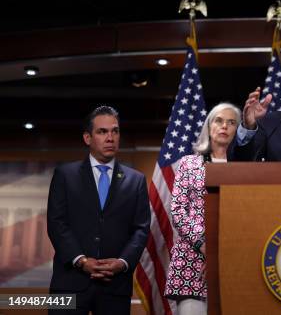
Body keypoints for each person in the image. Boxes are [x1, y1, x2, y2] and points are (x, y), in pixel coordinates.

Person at [47, 106, 151, 315]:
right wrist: (81, 261)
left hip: (115, 286)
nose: (110, 137)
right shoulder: (65, 175)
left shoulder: (136, 180)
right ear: (87, 138)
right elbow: (57, 223)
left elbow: (141, 229)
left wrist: (122, 263)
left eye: (115, 131)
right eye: (102, 132)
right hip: (69, 284)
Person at [164, 102, 241, 315]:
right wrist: (205, 245)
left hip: (233, 258)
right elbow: (178, 210)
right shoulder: (189, 163)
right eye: (219, 120)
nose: (225, 126)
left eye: (231, 122)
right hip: (192, 259)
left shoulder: (244, 167)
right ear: (209, 126)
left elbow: (247, 215)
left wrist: (221, 251)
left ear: (237, 130)